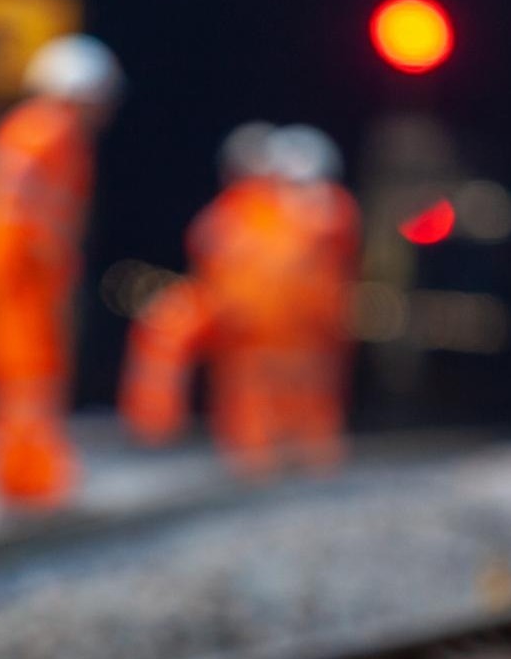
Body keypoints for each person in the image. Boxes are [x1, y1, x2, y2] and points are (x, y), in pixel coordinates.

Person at [122, 124, 360, 477]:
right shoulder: (250, 210)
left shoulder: (315, 210)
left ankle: (297, 456)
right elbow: (209, 248)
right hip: (254, 324)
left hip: (295, 326)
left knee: (298, 397)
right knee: (256, 396)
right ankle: (168, 430)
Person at [0, 34, 122, 509]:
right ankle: (31, 477)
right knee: (30, 376)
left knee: (18, 379)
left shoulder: (34, 131)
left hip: (17, 275)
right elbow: (24, 215)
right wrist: (39, 269)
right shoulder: (47, 133)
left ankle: (17, 475)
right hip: (22, 278)